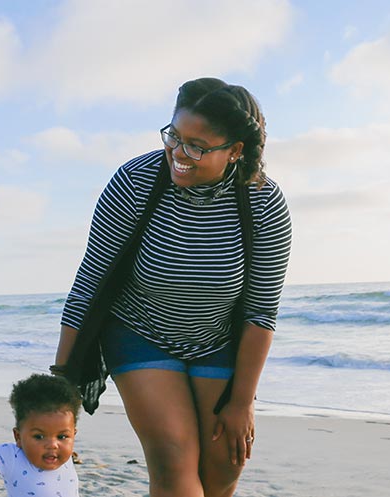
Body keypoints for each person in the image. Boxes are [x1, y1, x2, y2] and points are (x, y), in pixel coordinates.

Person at [53, 78, 292, 497]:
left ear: (235, 150)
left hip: (217, 341)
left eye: (198, 146)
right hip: (138, 331)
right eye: (174, 137)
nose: (179, 154)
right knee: (173, 460)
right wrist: (62, 381)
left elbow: (260, 311)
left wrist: (241, 402)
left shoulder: (263, 203)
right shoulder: (136, 181)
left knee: (223, 469)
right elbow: (90, 281)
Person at [0, 374, 81, 497]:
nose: (53, 445)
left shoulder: (65, 456)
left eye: (62, 437)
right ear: (18, 437)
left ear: (73, 435)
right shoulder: (14, 457)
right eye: (39, 437)